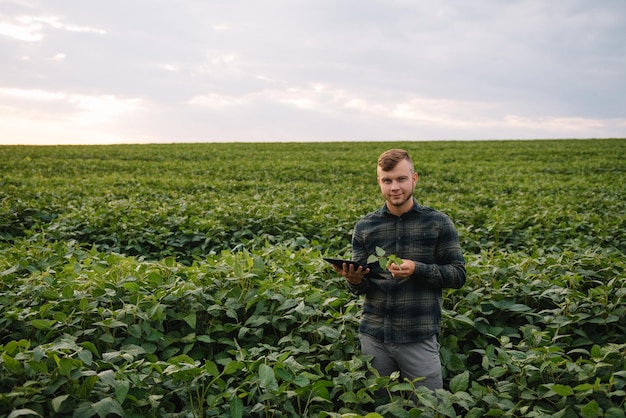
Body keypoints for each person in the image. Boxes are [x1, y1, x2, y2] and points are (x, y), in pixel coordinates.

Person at [332, 148, 466, 394]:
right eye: (387, 180)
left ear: (414, 179)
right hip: (374, 337)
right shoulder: (365, 226)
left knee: (429, 405)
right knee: (380, 405)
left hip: (418, 336)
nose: (394, 187)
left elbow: (458, 275)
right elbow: (360, 289)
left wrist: (417, 269)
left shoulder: (439, 223)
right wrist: (353, 280)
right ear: (379, 183)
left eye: (401, 179)